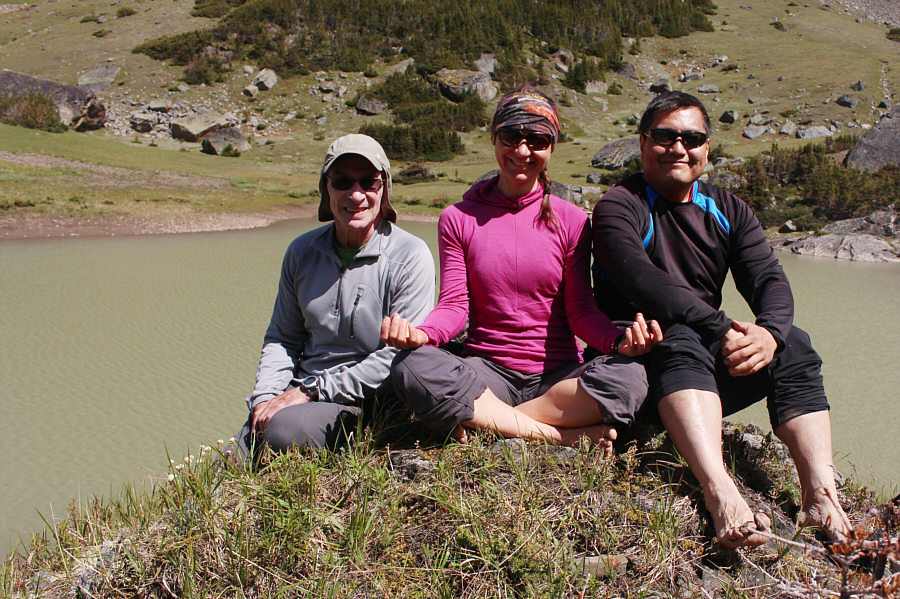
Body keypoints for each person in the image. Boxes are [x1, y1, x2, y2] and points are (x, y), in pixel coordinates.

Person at [591, 91, 852, 547]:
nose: (679, 147)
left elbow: (768, 277)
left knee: (796, 344)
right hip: (637, 362)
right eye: (665, 136)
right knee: (681, 335)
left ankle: (820, 495)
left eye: (692, 138)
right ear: (642, 143)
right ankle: (721, 493)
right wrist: (721, 328)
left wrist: (769, 334)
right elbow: (644, 283)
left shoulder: (728, 209)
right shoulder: (620, 205)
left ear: (706, 148)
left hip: (696, 368)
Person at [382, 90, 662, 453]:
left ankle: (489, 422)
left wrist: (618, 342)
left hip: (559, 375)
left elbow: (580, 311)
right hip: (486, 373)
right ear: (494, 138)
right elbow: (453, 306)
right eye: (511, 137)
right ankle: (562, 436)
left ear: (551, 147)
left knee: (630, 376)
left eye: (538, 140)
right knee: (411, 366)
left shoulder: (574, 221)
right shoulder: (458, 219)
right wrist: (422, 335)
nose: (523, 152)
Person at [236, 133, 435, 455]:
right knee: (235, 456)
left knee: (283, 433)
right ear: (325, 188)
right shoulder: (301, 252)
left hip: (369, 397)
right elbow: (283, 337)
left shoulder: (410, 255)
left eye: (369, 182)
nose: (355, 195)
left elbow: (397, 357)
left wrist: (311, 391)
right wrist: (265, 397)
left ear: (384, 189)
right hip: (302, 390)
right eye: (342, 182)